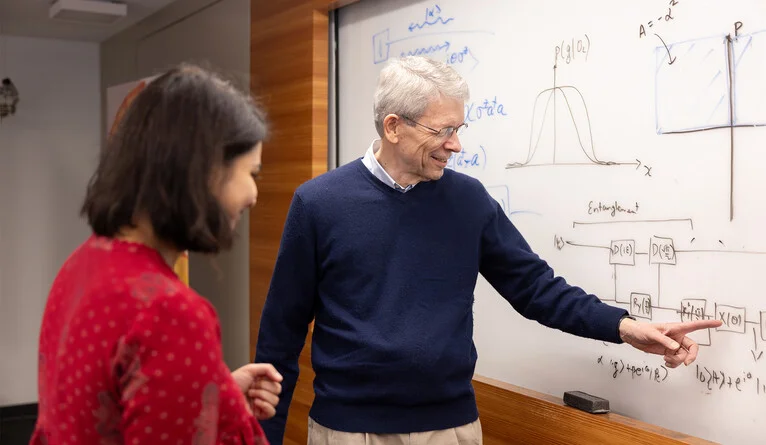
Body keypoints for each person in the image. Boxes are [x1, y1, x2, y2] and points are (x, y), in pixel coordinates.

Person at [254, 56, 722, 445]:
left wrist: (624, 327)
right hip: (347, 430)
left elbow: (537, 289)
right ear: (393, 126)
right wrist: (265, 437)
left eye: (458, 128)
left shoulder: (468, 200)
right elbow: (282, 330)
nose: (455, 145)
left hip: (450, 427)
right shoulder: (319, 203)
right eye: (443, 131)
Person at [32, 64, 283, 445]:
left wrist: (214, 393)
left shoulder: (82, 263)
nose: (253, 195)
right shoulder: (168, 311)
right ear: (202, 172)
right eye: (251, 173)